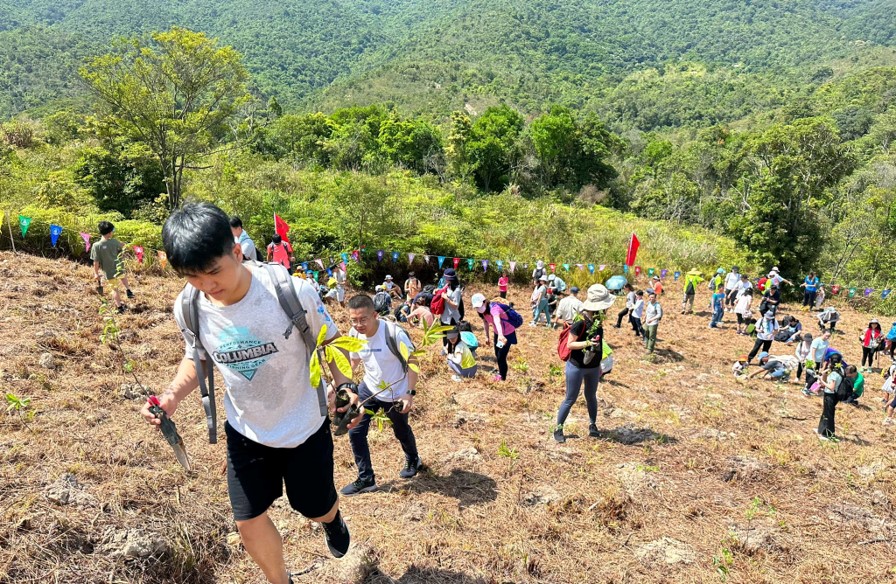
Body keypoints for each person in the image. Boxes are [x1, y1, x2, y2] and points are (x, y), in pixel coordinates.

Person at [141, 203, 359, 582]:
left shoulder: (291, 291)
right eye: (193, 277)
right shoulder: (189, 306)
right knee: (247, 518)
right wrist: (172, 396)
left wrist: (344, 386)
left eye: (214, 272)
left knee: (314, 506)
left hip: (303, 425)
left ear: (237, 252)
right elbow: (198, 359)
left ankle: (330, 518)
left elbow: (331, 343)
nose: (207, 285)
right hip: (245, 430)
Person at [344, 295, 421, 496]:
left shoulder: (393, 333)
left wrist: (409, 393)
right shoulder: (354, 334)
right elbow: (354, 362)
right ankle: (366, 478)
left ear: (375, 315)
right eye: (354, 320)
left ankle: (413, 459)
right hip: (369, 388)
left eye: (363, 319)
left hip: (396, 392)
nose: (358, 324)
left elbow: (412, 362)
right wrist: (341, 384)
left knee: (401, 430)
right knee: (355, 431)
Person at [553, 284, 616, 443]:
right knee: (570, 398)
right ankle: (559, 428)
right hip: (576, 366)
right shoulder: (580, 323)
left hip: (593, 367)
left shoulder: (598, 324)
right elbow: (570, 345)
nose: (606, 311)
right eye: (604, 308)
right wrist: (587, 343)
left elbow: (599, 345)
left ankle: (593, 425)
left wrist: (600, 367)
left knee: (591, 396)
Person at [471, 293, 518, 382]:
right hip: (498, 334)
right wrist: (487, 336)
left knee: (501, 356)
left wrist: (501, 335)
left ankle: (502, 377)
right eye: (476, 307)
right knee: (497, 353)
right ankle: (501, 372)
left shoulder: (494, 308)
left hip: (506, 334)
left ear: (485, 302)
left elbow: (497, 321)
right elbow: (486, 322)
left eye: (480, 306)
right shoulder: (483, 312)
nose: (478, 308)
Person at [91, 221, 134, 313]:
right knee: (123, 276)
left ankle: (119, 307)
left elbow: (96, 261)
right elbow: (124, 246)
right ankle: (128, 289)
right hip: (119, 266)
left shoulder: (96, 245)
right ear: (110, 232)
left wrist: (96, 273)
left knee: (115, 289)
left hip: (108, 271)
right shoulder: (115, 242)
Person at [817, 353, 846, 440]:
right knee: (825, 412)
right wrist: (825, 372)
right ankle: (821, 429)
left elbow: (831, 387)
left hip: (830, 395)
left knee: (829, 414)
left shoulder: (834, 374)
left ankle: (829, 434)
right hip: (834, 395)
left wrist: (822, 381)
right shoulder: (841, 369)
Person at [439, 269, 462, 341]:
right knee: (445, 337)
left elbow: (456, 305)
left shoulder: (456, 290)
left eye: (446, 278)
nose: (445, 280)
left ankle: (451, 351)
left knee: (452, 339)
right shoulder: (446, 286)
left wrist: (447, 298)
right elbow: (442, 291)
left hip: (452, 318)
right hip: (444, 316)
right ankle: (445, 349)